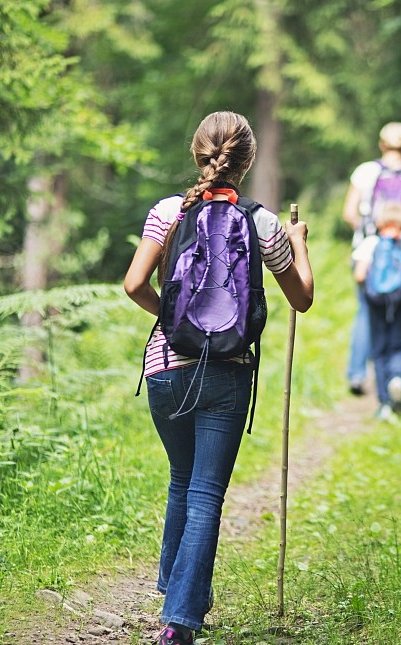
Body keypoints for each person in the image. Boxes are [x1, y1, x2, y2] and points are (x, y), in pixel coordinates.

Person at [123, 111, 313, 645]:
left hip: (166, 369)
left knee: (182, 478)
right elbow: (302, 297)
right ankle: (180, 621)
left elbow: (135, 283)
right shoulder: (263, 222)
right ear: (246, 162)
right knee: (205, 492)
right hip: (227, 374)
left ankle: (177, 586)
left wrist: (174, 323)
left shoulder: (167, 212)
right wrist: (298, 243)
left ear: (196, 153)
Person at [342, 122, 401, 396]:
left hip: (367, 252)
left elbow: (348, 212)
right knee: (399, 313)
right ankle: (395, 371)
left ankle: (357, 375)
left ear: (381, 144)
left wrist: (367, 234)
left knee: (365, 312)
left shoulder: (366, 171)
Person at [352, 201, 401, 421]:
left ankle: (384, 402)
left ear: (379, 221)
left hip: (376, 306)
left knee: (379, 350)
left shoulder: (370, 243)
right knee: (397, 347)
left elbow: (359, 275)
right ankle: (397, 379)